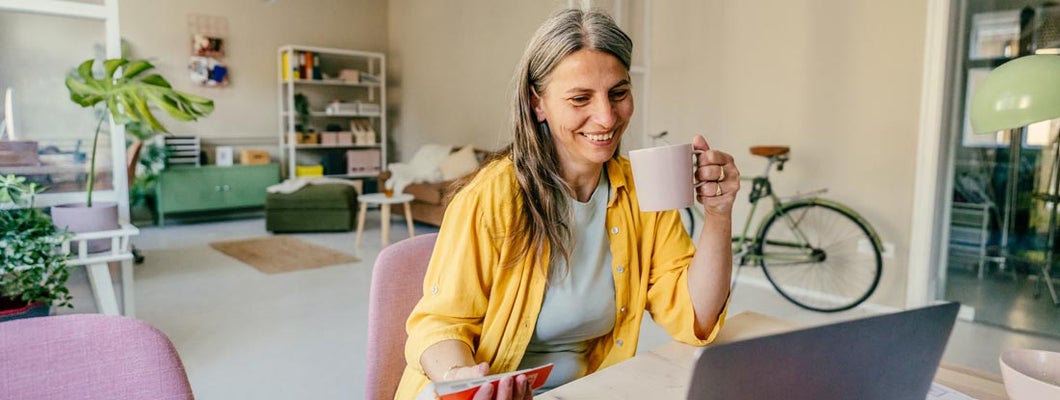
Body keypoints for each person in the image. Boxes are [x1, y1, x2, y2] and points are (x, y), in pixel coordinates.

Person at [395, 8, 739, 400]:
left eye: (619, 93)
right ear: (537, 104)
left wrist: (718, 214)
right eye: (580, 98)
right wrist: (465, 381)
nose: (606, 116)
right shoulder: (490, 197)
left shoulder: (641, 190)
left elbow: (694, 316)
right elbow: (439, 324)